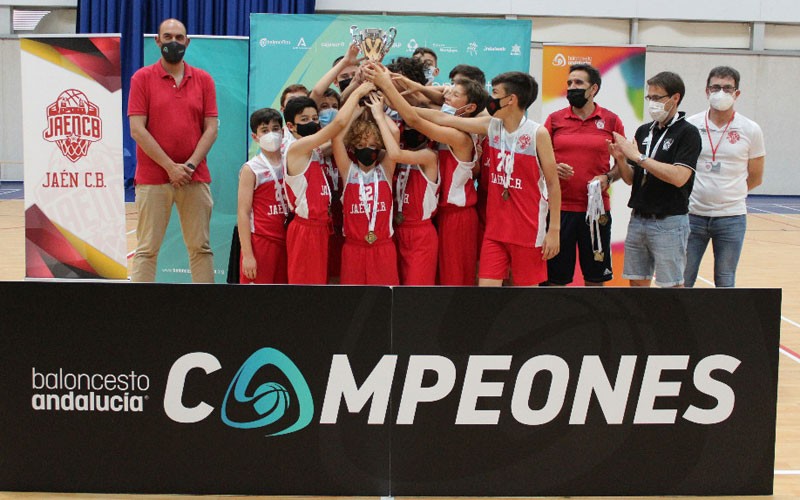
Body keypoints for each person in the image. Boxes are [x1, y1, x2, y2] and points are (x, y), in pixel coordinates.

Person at [412, 71, 562, 286]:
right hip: (495, 231)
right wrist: (399, 105)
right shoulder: (491, 126)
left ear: (511, 99)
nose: (490, 100)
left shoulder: (538, 133)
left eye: (495, 93)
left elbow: (553, 184)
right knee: (486, 295)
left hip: (528, 232)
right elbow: (444, 118)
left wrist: (554, 230)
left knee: (527, 300)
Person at [369, 65, 486, 286]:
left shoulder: (460, 136)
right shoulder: (444, 117)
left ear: (469, 107)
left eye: (455, 94)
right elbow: (412, 110)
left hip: (458, 216)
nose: (447, 96)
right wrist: (391, 87)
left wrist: (386, 84)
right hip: (440, 214)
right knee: (437, 279)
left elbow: (414, 120)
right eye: (448, 91)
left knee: (454, 279)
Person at [128, 18, 218, 283]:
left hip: (195, 177)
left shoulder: (203, 80)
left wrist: (188, 167)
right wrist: (170, 167)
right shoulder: (141, 78)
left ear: (187, 42)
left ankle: (205, 312)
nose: (173, 43)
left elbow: (211, 128)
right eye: (167, 37)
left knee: (201, 249)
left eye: (179, 38)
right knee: (146, 250)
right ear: (157, 41)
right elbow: (137, 129)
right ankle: (139, 314)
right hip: (153, 179)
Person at [608, 71, 702, 288]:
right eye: (649, 98)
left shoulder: (688, 133)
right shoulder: (644, 132)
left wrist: (639, 157)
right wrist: (622, 160)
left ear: (675, 98)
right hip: (639, 218)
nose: (652, 103)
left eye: (657, 98)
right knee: (637, 283)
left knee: (671, 285)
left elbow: (679, 177)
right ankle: (641, 323)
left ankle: (670, 323)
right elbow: (632, 179)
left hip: (668, 221)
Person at [282, 82, 375, 284]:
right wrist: (359, 90)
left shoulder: (312, 149)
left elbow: (335, 141)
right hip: (306, 229)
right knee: (306, 286)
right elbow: (337, 127)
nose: (313, 122)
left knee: (320, 285)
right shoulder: (296, 148)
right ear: (290, 126)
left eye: (315, 118)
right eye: (305, 119)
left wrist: (356, 114)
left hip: (321, 227)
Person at [542, 64, 626, 286]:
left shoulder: (611, 121)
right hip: (559, 212)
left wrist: (607, 177)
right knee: (555, 279)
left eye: (578, 83)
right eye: (569, 83)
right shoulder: (554, 120)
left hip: (596, 212)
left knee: (595, 278)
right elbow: (538, 160)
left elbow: (621, 165)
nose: (572, 88)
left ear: (593, 89)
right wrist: (552, 167)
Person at [684, 66, 765, 287]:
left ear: (736, 93)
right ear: (706, 91)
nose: (721, 92)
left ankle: (723, 323)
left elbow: (756, 176)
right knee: (683, 278)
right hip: (692, 214)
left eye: (727, 88)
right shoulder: (691, 125)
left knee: (725, 280)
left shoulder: (750, 129)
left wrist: (729, 193)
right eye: (716, 87)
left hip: (731, 217)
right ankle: (678, 323)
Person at [332, 95, 399, 285]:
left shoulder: (385, 170)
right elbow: (336, 139)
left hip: (383, 246)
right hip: (354, 248)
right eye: (361, 145)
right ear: (353, 147)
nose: (366, 150)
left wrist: (379, 114)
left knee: (384, 302)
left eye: (372, 145)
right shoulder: (348, 171)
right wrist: (354, 113)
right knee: (352, 302)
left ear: (379, 147)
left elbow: (394, 133)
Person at [237, 108, 288, 284]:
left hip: (287, 241)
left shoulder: (291, 161)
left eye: (275, 129)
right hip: (261, 242)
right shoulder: (251, 169)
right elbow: (243, 213)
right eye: (264, 131)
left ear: (282, 132)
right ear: (255, 137)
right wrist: (248, 255)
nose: (271, 134)